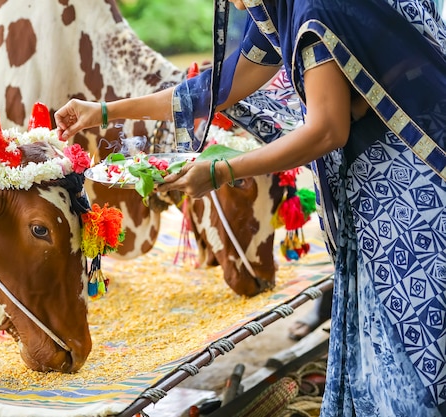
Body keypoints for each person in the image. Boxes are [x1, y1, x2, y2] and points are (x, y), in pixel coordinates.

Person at [55, 0, 446, 415]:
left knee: (413, 360)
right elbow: (219, 88)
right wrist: (101, 112)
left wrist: (221, 172)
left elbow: (328, 129)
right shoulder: (283, 7)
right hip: (381, 199)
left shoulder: (316, 11)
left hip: (411, 202)